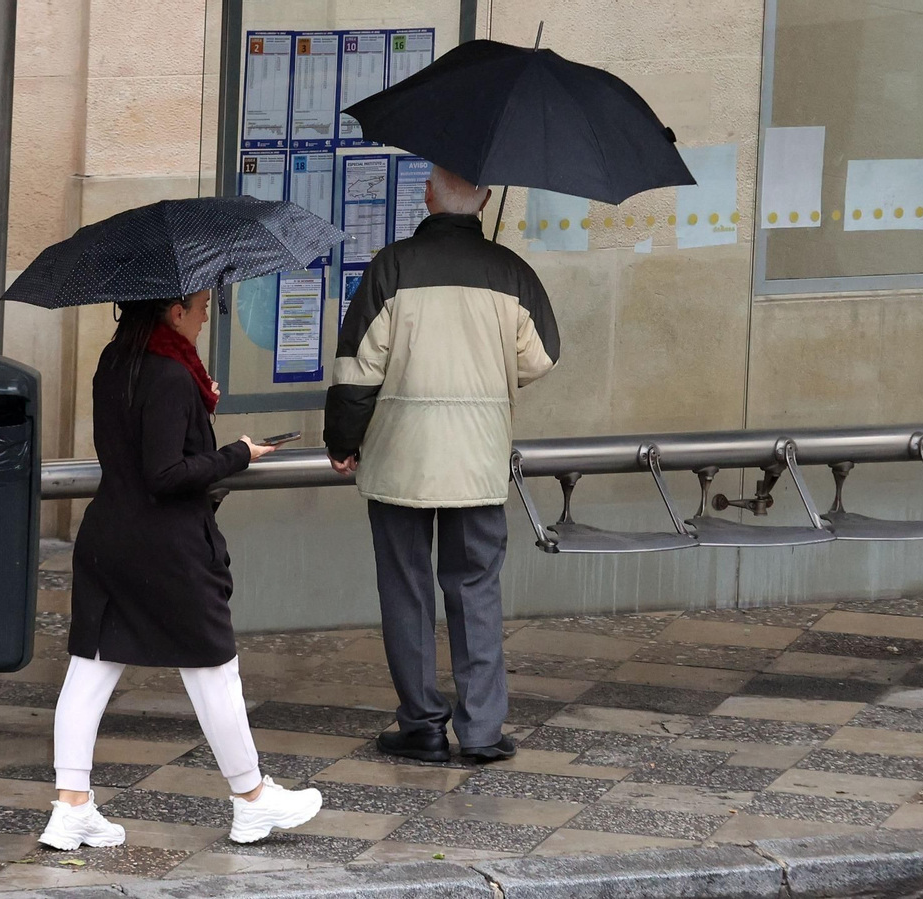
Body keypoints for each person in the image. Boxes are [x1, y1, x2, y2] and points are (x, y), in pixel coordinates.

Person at [40, 290, 323, 851]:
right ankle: (252, 799)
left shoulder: (115, 360)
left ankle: (71, 807)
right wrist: (238, 452)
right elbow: (166, 473)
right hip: (166, 547)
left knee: (90, 669)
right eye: (199, 309)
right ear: (174, 312)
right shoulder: (169, 375)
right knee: (214, 667)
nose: (204, 318)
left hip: (109, 536)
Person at [324, 165, 561, 764]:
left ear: (427, 197)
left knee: (406, 591)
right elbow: (539, 359)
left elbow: (357, 371)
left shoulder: (391, 267)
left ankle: (422, 725)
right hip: (477, 461)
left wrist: (342, 441)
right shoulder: (512, 273)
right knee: (476, 588)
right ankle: (481, 730)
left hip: (401, 459)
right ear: (484, 199)